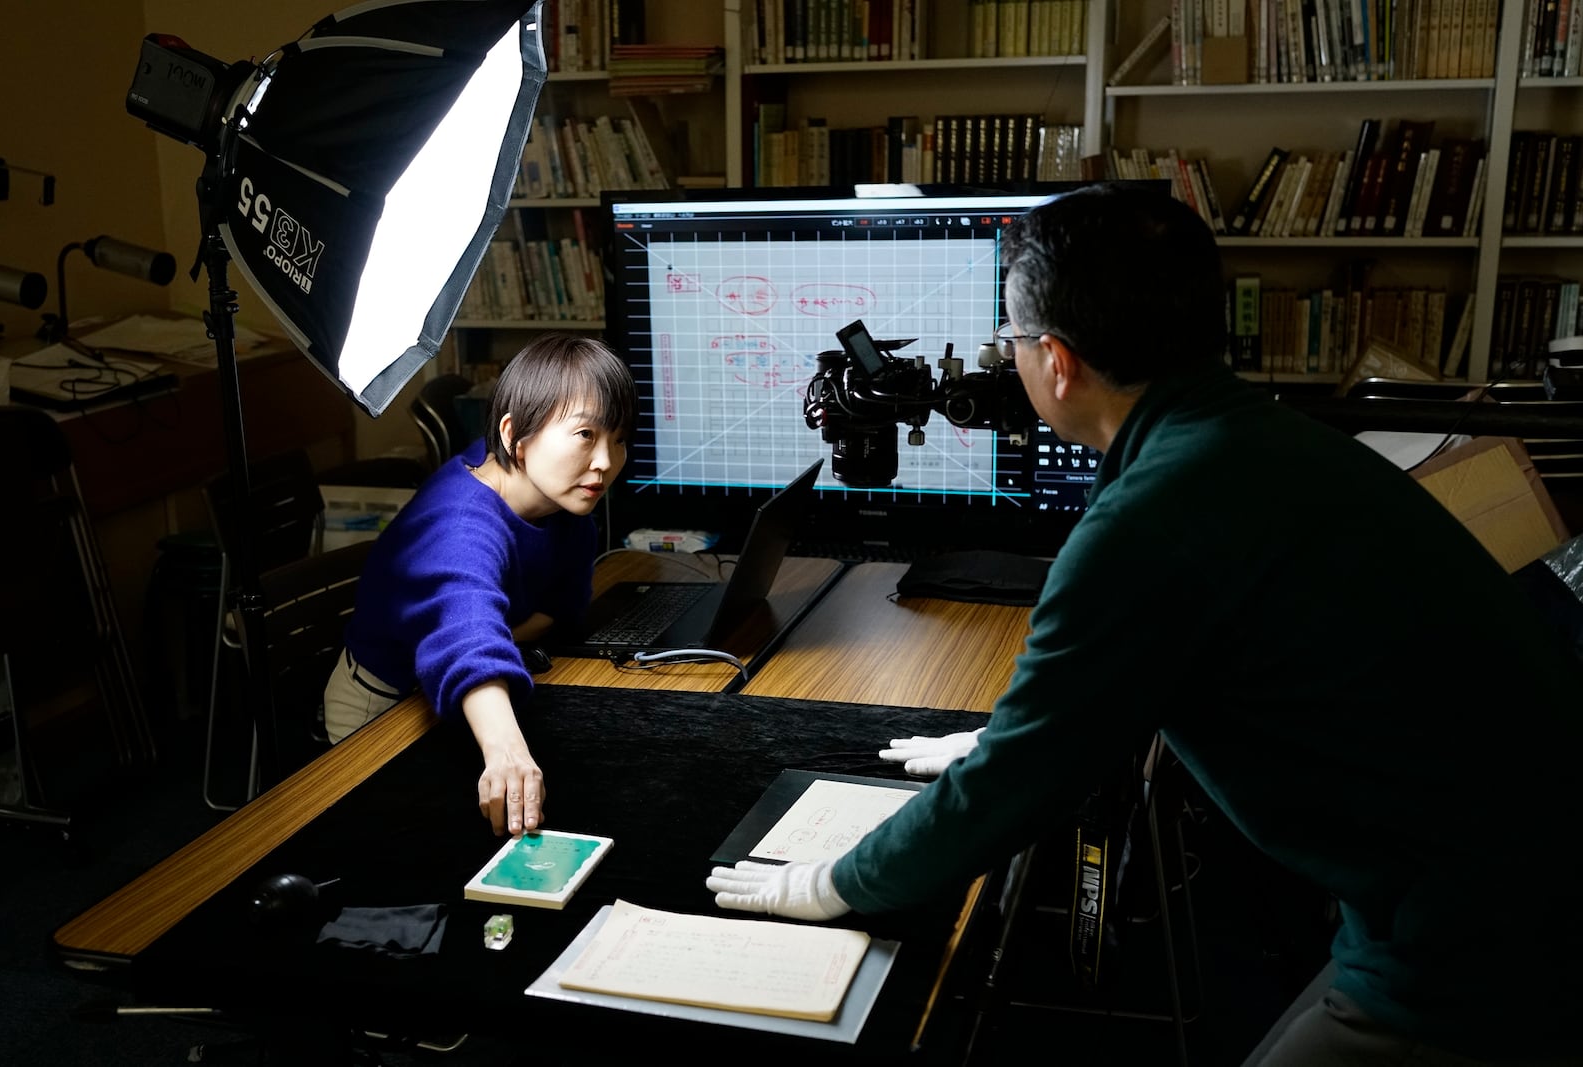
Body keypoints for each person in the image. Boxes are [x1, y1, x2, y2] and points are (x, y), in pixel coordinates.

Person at [706, 184, 1583, 1064]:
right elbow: (1171, 662)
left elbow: (1017, 790)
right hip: (1495, 870)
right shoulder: (1262, 440)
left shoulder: (1150, 514)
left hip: (1477, 939)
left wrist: (831, 882)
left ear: (1056, 360)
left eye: (1009, 341)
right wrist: (1014, 736)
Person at [324, 334, 635, 837]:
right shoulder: (459, 526)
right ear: (514, 435)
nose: (605, 461)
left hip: (457, 690)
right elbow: (465, 627)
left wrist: (496, 644)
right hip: (384, 703)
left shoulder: (556, 494)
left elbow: (562, 605)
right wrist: (506, 748)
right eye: (584, 435)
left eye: (617, 438)